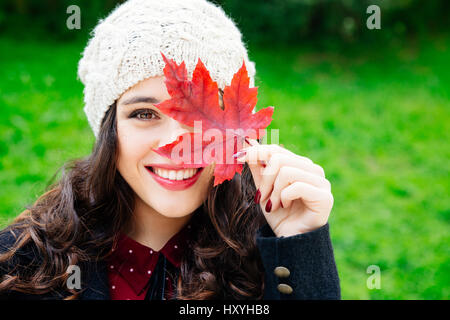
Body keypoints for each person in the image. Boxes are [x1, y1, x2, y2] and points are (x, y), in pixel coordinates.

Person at [0, 0, 340, 300]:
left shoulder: (266, 259)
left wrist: (299, 248)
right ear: (109, 131)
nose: (177, 145)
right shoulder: (24, 265)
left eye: (198, 116)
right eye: (144, 114)